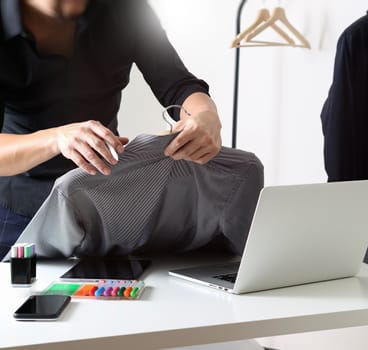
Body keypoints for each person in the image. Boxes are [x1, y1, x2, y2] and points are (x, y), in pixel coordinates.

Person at [0, 0, 222, 258]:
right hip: (19, 214)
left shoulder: (126, 8)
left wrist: (206, 115)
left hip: (102, 202)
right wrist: (57, 139)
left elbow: (177, 84)